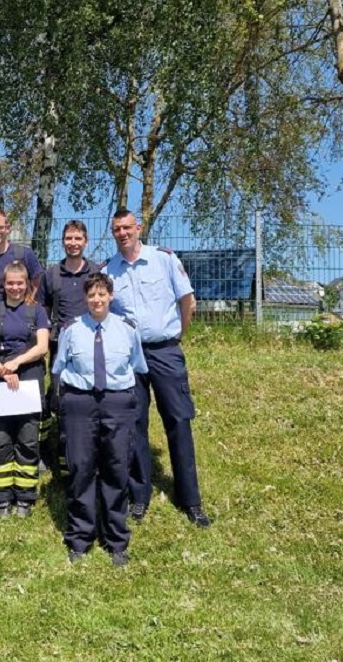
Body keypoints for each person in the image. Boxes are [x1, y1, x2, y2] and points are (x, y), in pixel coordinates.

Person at [103, 209, 211, 528]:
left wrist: (178, 335)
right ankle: (139, 496)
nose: (122, 233)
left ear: (139, 228)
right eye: (116, 229)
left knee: (178, 420)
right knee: (134, 424)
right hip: (130, 357)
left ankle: (190, 500)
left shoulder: (163, 259)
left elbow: (187, 300)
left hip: (165, 351)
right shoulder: (108, 271)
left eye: (127, 227)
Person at [53, 273, 147, 566]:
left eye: (102, 294)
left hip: (117, 403)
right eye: (91, 295)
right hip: (80, 403)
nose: (97, 299)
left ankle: (116, 540)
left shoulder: (128, 329)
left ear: (111, 296)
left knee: (116, 468)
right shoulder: (71, 329)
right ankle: (80, 538)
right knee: (81, 469)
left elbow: (137, 367)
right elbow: (59, 367)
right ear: (85, 298)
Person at [0, 261, 50, 518]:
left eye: (20, 283)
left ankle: (25, 498)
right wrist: (2, 370)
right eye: (10, 283)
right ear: (3, 284)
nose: (15, 287)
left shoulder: (37, 311)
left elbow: (42, 347)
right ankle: (1, 498)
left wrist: (16, 363)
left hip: (28, 377)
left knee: (27, 439)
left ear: (27, 284)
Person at [40, 219, 103, 471]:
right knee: (60, 400)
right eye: (69, 238)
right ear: (62, 241)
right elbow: (43, 312)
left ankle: (90, 457)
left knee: (90, 400)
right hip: (60, 347)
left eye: (78, 238)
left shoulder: (97, 272)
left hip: (91, 348)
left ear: (85, 242)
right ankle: (60, 458)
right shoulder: (51, 274)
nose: (73, 243)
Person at [0, 209, 44, 307]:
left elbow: (38, 283)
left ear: (8, 228)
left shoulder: (25, 255)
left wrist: (31, 304)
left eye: (0, 227)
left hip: (21, 317)